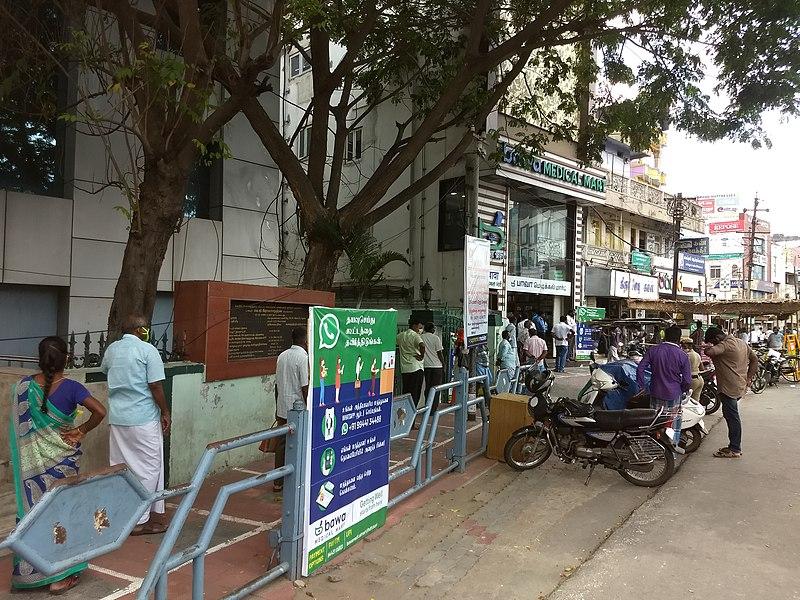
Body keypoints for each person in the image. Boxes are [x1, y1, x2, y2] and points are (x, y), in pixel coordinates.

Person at [9, 337, 106, 593]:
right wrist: (80, 430)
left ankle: (29, 573)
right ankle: (61, 575)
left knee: (34, 512)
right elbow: (100, 411)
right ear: (67, 358)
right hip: (63, 465)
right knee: (63, 513)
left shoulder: (22, 387)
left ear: (40, 358)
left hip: (32, 472)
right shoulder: (73, 387)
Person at [102, 315, 171, 536]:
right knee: (150, 468)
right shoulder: (148, 350)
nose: (147, 331)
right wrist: (165, 410)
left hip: (118, 419)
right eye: (145, 328)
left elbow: (106, 371)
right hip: (142, 419)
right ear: (140, 330)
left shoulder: (112, 349)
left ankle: (123, 514)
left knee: (122, 467)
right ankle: (140, 520)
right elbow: (155, 385)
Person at [704, 326, 759, 458]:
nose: (713, 344)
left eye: (712, 341)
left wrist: (706, 348)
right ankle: (733, 445)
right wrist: (749, 377)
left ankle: (735, 448)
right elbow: (755, 359)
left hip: (729, 388)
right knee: (730, 416)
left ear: (717, 338)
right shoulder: (741, 342)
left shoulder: (725, 345)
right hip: (739, 385)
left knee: (733, 417)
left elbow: (711, 352)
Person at [636, 325, 692, 448]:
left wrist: (642, 386)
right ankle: (671, 449)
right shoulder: (682, 355)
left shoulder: (654, 350)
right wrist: (682, 390)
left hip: (655, 392)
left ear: (665, 337)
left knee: (655, 423)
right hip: (674, 395)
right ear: (678, 339)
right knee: (672, 424)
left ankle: (653, 448)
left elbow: (640, 368)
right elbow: (687, 380)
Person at [274, 328, 309, 492]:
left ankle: (277, 482)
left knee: (282, 445)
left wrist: (277, 406)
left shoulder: (282, 356)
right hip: (297, 410)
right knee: (298, 444)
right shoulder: (303, 357)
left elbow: (276, 385)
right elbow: (305, 386)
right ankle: (296, 480)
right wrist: (309, 405)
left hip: (282, 407)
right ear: (305, 340)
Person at [397, 318, 426, 407]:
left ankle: (405, 412)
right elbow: (422, 345)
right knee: (415, 393)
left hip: (405, 369)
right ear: (414, 325)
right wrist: (421, 356)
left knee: (406, 392)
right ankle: (412, 414)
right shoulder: (415, 336)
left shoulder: (400, 336)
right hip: (416, 367)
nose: (420, 329)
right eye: (419, 327)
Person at [421, 323, 445, 412]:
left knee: (428, 387)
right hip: (436, 366)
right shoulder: (436, 338)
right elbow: (440, 353)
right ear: (431, 329)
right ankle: (433, 408)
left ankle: (427, 406)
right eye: (434, 328)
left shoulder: (421, 337)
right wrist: (444, 364)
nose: (434, 330)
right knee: (435, 388)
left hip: (426, 366)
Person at [682, 338, 704, 403]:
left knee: (685, 401)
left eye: (683, 345)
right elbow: (702, 368)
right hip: (699, 379)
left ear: (687, 345)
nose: (682, 346)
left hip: (692, 380)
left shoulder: (687, 355)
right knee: (695, 402)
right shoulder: (697, 354)